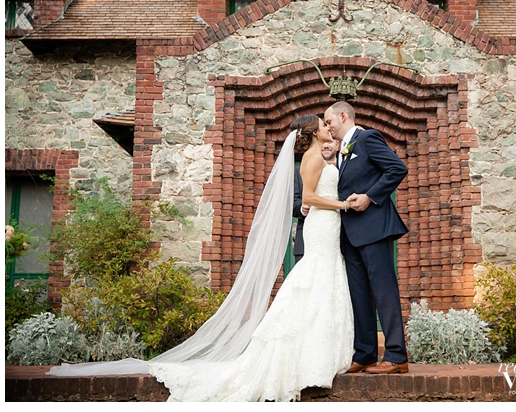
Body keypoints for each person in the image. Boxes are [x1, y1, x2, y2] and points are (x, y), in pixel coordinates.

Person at [48, 115, 355, 402]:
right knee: (313, 278)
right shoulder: (313, 158)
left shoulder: (318, 155)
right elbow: (309, 197)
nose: (326, 126)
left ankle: (317, 353)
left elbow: (316, 192)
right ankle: (308, 356)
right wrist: (343, 205)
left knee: (321, 282)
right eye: (322, 124)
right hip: (323, 224)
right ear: (313, 132)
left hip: (327, 225)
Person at [324, 100, 410, 375]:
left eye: (329, 122)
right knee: (359, 295)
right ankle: (365, 354)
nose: (327, 127)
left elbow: (397, 168)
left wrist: (369, 197)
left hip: (374, 229)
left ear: (342, 116)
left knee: (384, 292)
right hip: (349, 234)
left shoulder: (368, 138)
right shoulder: (341, 150)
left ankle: (396, 356)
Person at [293, 140, 340, 263]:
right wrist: (302, 208)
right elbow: (291, 203)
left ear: (338, 145)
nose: (326, 145)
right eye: (323, 142)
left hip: (338, 234)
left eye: (330, 142)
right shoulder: (299, 172)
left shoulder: (343, 170)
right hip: (308, 238)